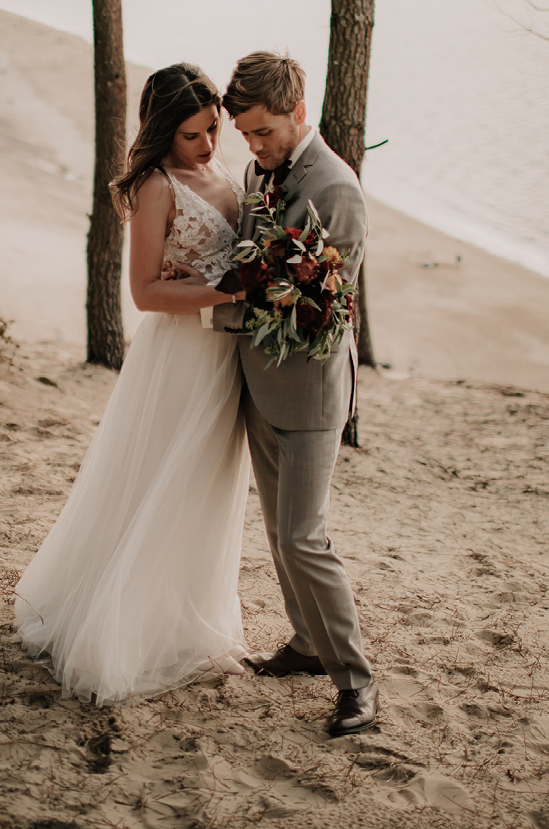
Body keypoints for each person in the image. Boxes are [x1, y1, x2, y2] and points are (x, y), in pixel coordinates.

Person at [14, 64, 251, 704]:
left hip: (225, 359)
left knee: (207, 487)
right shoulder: (155, 186)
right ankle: (125, 628)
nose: (207, 146)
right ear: (163, 134)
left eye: (212, 130)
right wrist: (220, 289)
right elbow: (145, 293)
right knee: (162, 480)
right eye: (192, 136)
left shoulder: (227, 174)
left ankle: (181, 624)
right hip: (181, 356)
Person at [210, 51, 378, 737]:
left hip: (308, 391)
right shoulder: (257, 172)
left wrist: (237, 295)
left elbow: (324, 305)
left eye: (263, 133)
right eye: (245, 135)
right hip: (259, 383)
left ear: (297, 114)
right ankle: (307, 644)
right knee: (280, 537)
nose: (253, 147)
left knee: (306, 539)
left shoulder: (336, 189)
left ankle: (357, 683)